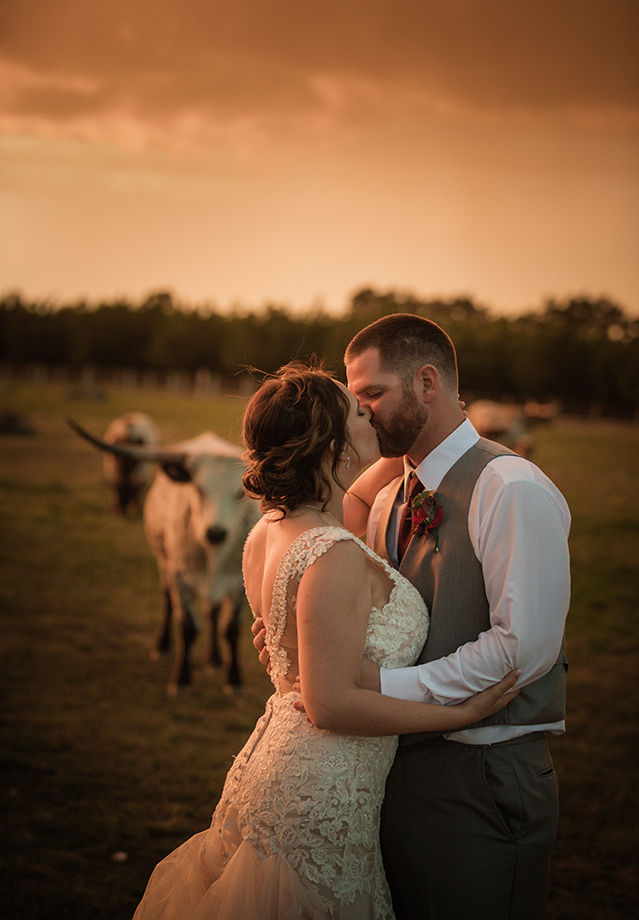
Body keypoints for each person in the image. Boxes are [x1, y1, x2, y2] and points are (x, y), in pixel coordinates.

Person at [131, 361, 521, 920]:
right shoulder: (332, 554)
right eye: (358, 410)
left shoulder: (266, 531)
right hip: (320, 794)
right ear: (331, 446)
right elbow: (329, 703)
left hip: (286, 768)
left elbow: (294, 646)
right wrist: (460, 714)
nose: (372, 413)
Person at [343, 314, 571, 920]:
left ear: (426, 383)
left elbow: (523, 648)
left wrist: (386, 691)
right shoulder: (391, 494)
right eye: (355, 398)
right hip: (392, 772)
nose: (361, 413)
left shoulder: (510, 486)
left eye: (372, 394)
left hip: (482, 777)